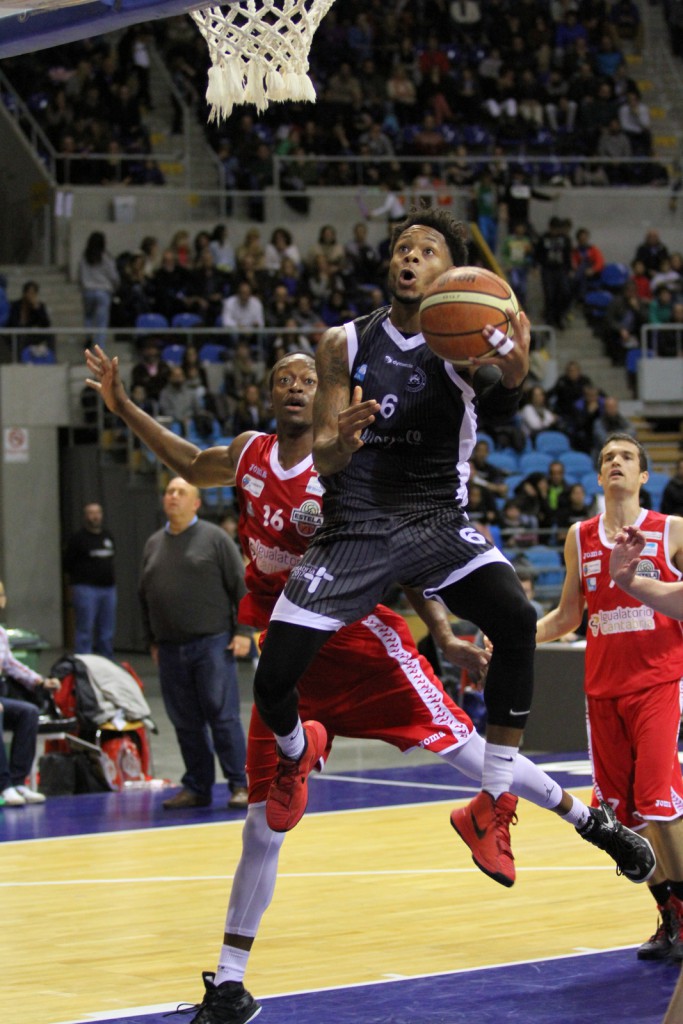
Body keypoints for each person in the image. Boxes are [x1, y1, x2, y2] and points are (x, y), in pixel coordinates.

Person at [85, 346, 655, 1024]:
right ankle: (232, 984)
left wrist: (440, 633)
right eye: (281, 381)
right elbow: (184, 459)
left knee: (470, 754)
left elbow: (407, 554)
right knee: (261, 825)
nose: (294, 387)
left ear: (326, 395)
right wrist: (121, 406)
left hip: (358, 640)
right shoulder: (247, 454)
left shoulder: (353, 468)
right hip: (287, 654)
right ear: (269, 397)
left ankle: (591, 823)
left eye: (305, 379)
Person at [536, 433, 683, 962]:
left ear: (644, 476)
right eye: (606, 459)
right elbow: (569, 615)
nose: (615, 463)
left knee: (658, 800)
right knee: (626, 818)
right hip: (603, 691)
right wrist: (519, 636)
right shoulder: (580, 536)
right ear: (598, 478)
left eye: (626, 458)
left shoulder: (671, 531)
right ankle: (669, 917)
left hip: (660, 681)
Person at [139, 477, 249, 811]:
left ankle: (241, 785)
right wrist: (152, 640)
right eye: (169, 492)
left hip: (212, 643)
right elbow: (144, 596)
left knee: (222, 716)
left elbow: (242, 587)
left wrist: (244, 631)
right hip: (171, 648)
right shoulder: (154, 543)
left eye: (180, 492)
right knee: (185, 721)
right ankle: (197, 786)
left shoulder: (215, 539)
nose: (172, 497)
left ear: (196, 503)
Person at [0, 579, 61, 806]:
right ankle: (3, 785)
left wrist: (41, 681)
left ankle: (18, 782)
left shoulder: (1, 635)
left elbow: (13, 666)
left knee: (29, 712)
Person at [63, 502, 117, 659]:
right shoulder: (78, 539)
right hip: (86, 589)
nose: (95, 516)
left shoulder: (107, 536)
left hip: (108, 589)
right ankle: (83, 663)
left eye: (98, 512)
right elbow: (68, 563)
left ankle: (106, 663)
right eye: (91, 513)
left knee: (106, 632)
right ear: (86, 516)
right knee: (85, 630)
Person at [77, 231, 120, 347]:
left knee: (88, 316)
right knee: (101, 321)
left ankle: (88, 336)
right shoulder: (106, 257)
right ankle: (99, 346)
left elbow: (80, 276)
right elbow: (113, 276)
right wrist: (116, 286)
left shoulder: (84, 258)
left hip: (88, 291)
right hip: (103, 292)